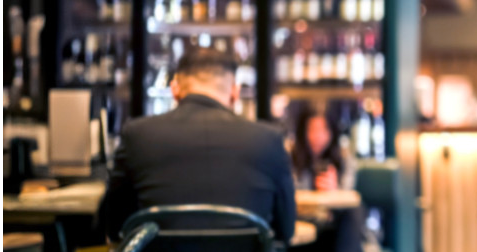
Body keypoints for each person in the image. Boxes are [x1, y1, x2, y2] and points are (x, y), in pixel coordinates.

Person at [96, 48, 297, 247]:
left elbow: (113, 226)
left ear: (174, 89)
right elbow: (285, 231)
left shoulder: (137, 134)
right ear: (234, 93)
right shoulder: (269, 139)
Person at [286, 103, 366, 252]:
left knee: (353, 211)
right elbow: (289, 195)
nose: (318, 136)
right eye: (312, 130)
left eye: (324, 130)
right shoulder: (291, 157)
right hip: (303, 225)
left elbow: (348, 194)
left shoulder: (343, 159)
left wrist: (335, 191)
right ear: (303, 131)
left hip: (332, 231)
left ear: (332, 132)